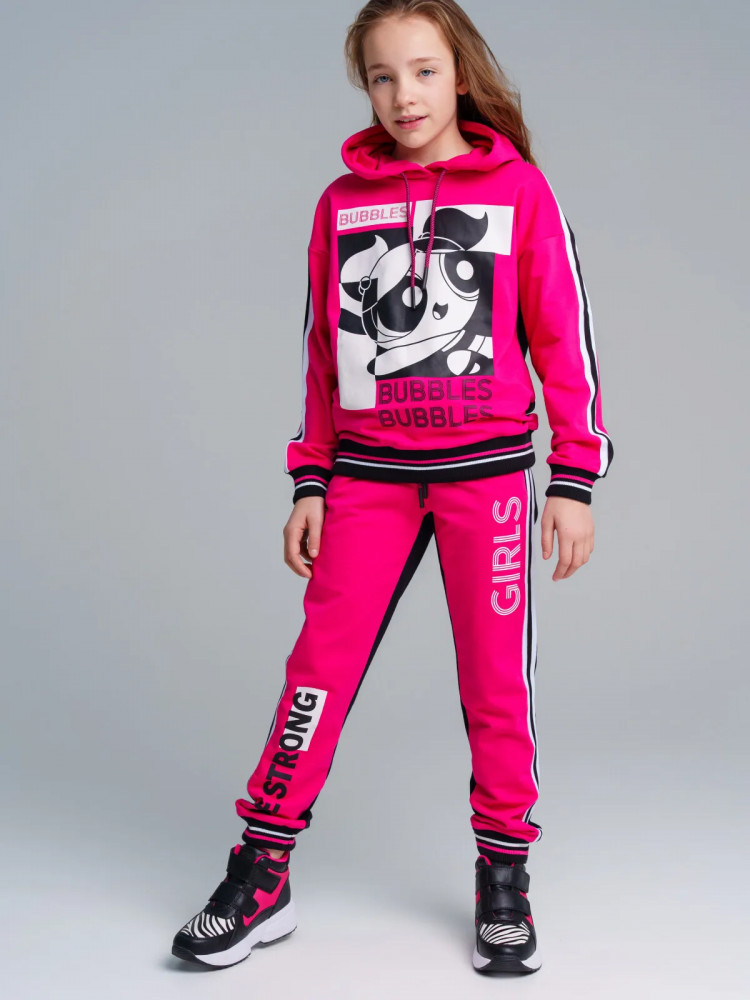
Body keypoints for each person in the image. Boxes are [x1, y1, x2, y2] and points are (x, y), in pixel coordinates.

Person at [171, 0, 613, 976]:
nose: (403, 94)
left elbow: (561, 338)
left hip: (487, 482)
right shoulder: (340, 204)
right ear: (364, 87)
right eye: (382, 76)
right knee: (314, 676)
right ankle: (262, 871)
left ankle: (504, 878)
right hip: (367, 482)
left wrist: (574, 478)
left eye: (422, 71)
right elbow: (322, 355)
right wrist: (310, 479)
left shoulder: (520, 192)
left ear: (460, 75)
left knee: (495, 684)